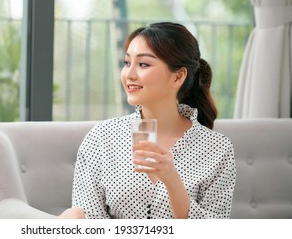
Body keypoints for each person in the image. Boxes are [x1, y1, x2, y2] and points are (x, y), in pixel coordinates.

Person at [59, 22, 236, 219]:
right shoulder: (102, 138)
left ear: (178, 77)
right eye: (127, 63)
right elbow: (90, 218)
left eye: (143, 64)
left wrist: (172, 180)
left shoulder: (218, 149)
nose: (129, 74)